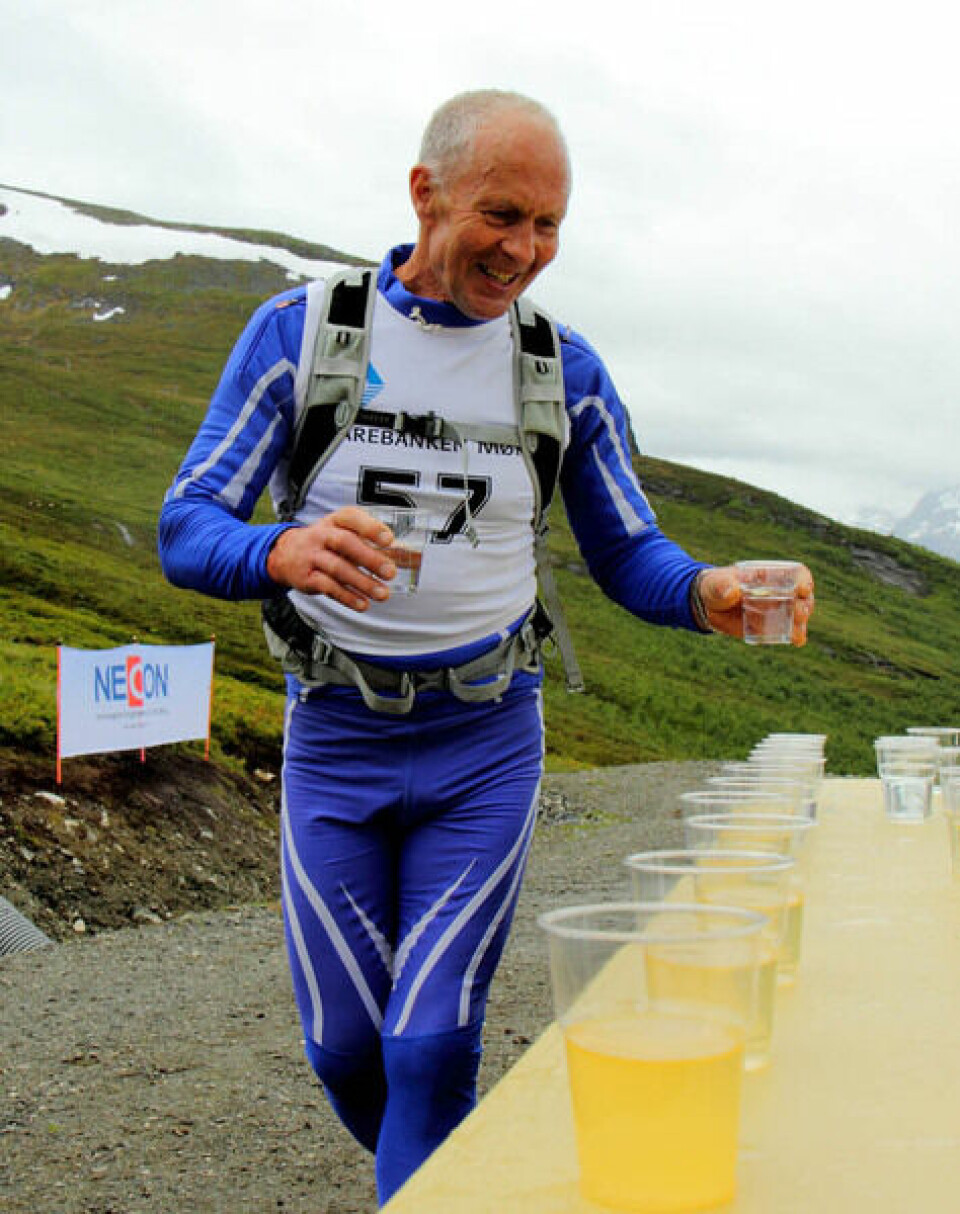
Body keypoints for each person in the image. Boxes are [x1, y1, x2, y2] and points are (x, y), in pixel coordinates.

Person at [157, 88, 814, 1204]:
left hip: (486, 745)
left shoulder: (563, 368)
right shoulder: (302, 334)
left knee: (428, 1048)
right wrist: (280, 549)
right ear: (426, 193)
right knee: (345, 1049)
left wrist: (708, 591)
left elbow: (630, 553)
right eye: (502, 215)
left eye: (550, 225)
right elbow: (187, 524)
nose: (525, 250)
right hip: (336, 738)